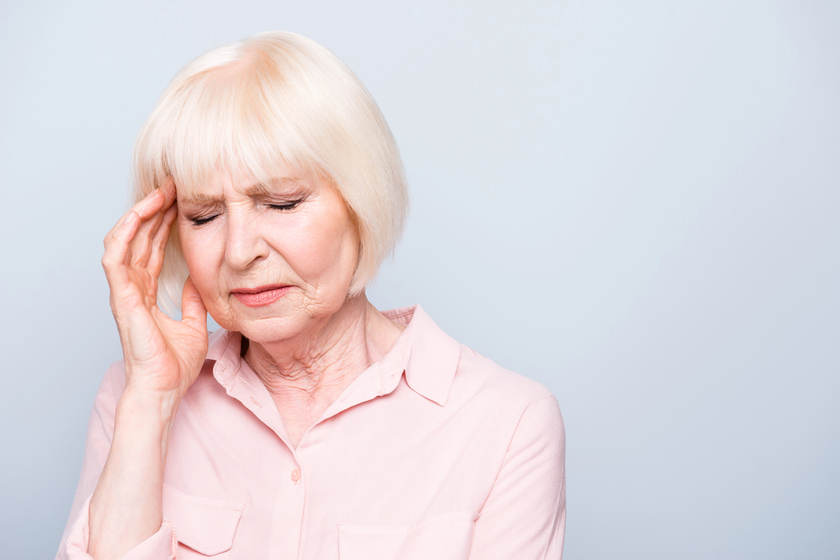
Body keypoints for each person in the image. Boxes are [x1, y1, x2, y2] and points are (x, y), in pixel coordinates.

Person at [56, 31, 566, 560]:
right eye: (204, 216)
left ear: (360, 201)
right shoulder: (132, 397)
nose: (238, 252)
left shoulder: (507, 423)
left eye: (281, 203)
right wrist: (151, 404)